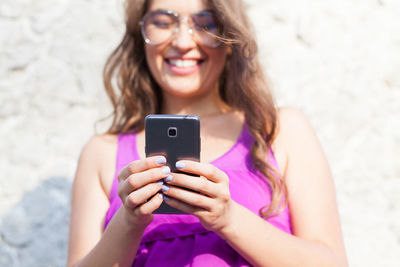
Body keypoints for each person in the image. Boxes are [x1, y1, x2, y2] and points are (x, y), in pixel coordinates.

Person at [67, 0, 348, 266]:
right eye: (163, 22)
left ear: (230, 37)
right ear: (140, 34)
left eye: (206, 24)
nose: (183, 42)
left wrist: (228, 219)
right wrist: (128, 223)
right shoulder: (102, 152)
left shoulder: (280, 130)